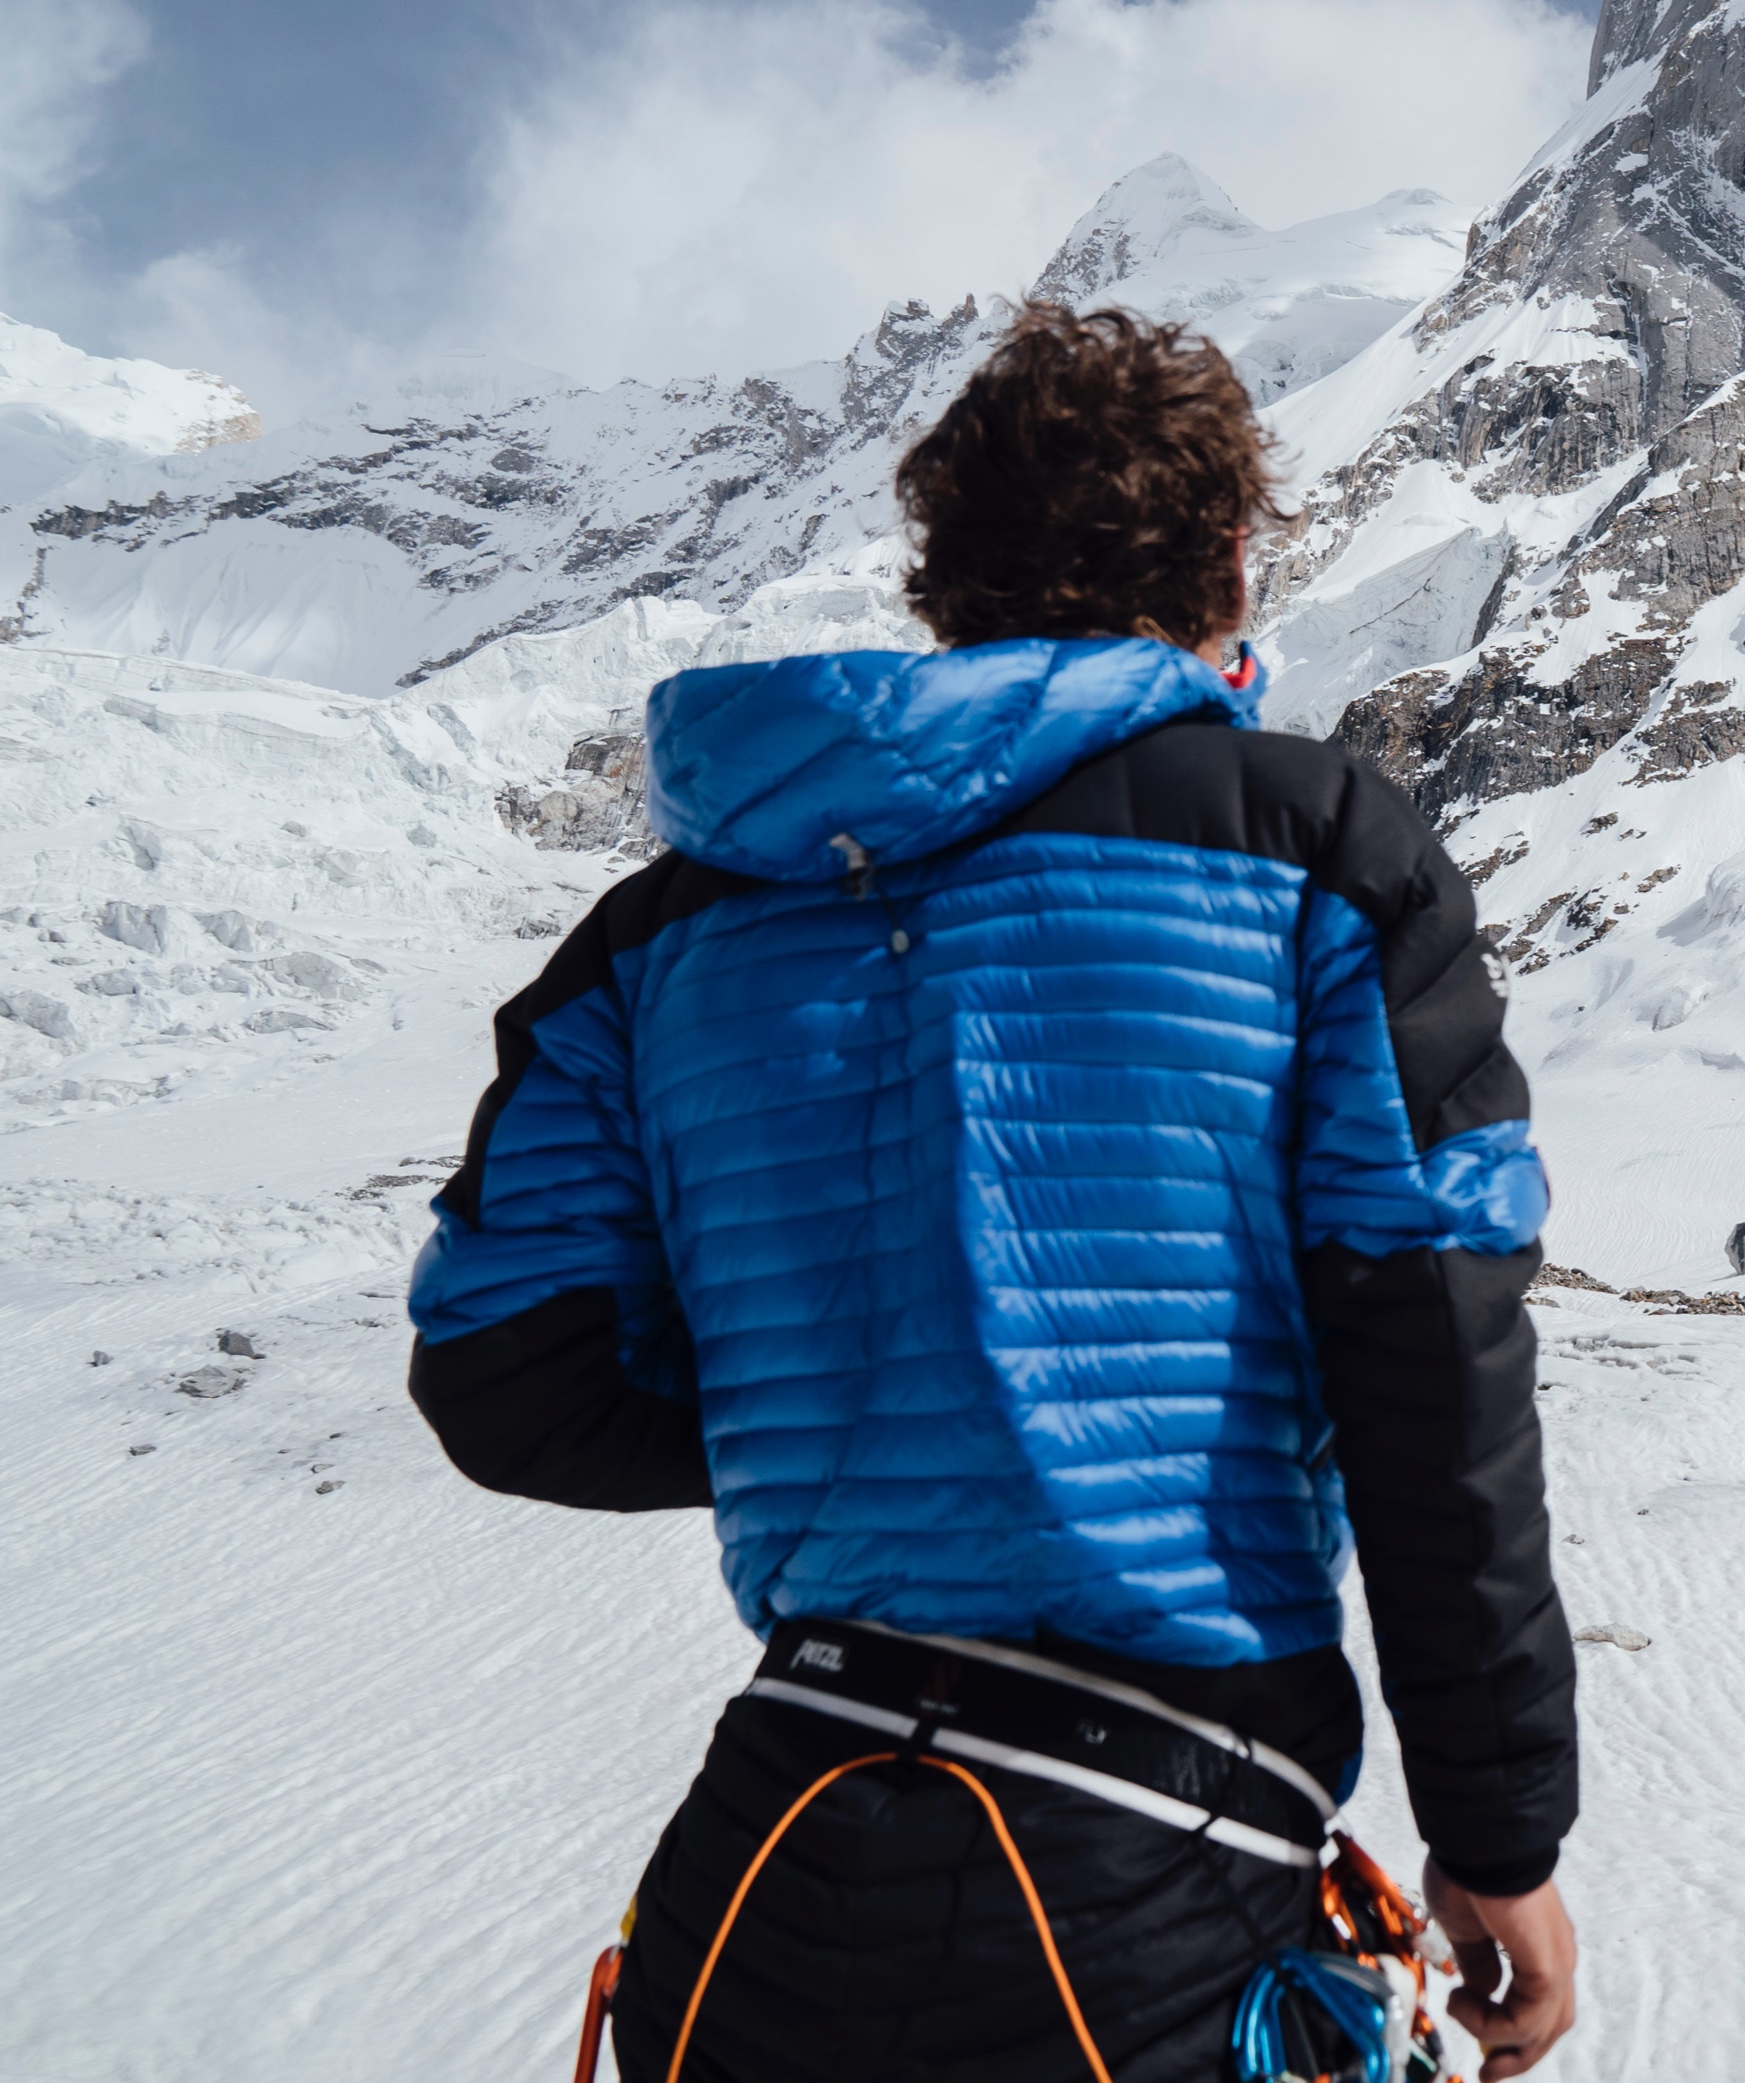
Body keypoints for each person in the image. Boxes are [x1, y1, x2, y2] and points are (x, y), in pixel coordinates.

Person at [407, 303, 1580, 2082]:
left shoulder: (655, 935)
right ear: (1234, 562)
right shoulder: (1316, 855)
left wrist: (864, 1395)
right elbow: (1432, 1359)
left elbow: (503, 1372)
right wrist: (1499, 1840)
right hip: (1161, 1889)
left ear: (944, 573)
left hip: (767, 1874)